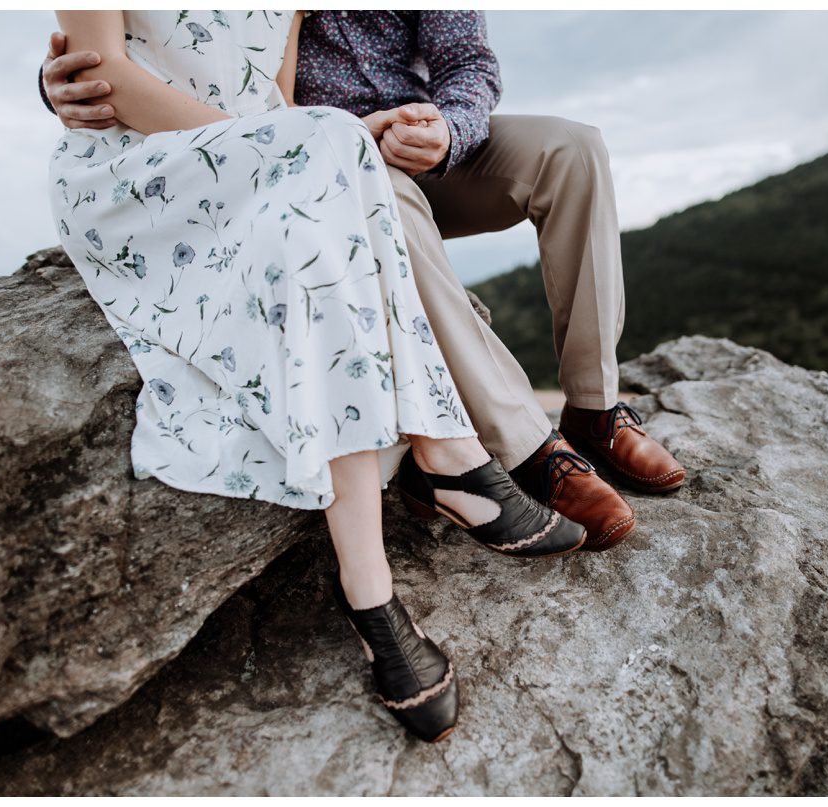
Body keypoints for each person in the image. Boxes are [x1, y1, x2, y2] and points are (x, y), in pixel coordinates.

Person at [43, 9, 587, 744]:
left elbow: (278, 98)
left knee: (319, 236)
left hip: (263, 166)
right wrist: (293, 144)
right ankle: (443, 462)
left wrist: (311, 141)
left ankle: (376, 580)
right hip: (144, 172)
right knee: (329, 146)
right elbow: (103, 72)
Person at [39, 11, 687, 556]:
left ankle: (595, 406)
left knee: (574, 149)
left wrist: (447, 129)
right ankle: (527, 446)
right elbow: (181, 43)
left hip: (421, 143)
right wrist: (59, 81)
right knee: (382, 193)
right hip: (322, 164)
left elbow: (469, 62)